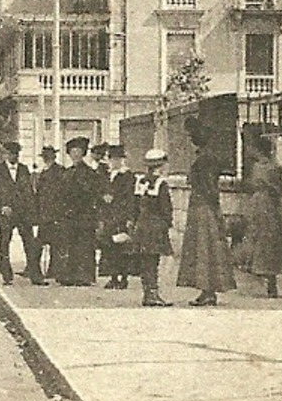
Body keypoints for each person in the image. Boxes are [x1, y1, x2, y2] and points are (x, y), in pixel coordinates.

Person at [177, 117, 237, 306]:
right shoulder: (206, 156)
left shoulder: (205, 159)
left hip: (203, 207)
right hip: (204, 206)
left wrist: (212, 205)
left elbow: (209, 186)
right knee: (207, 249)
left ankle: (208, 290)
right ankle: (207, 290)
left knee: (204, 250)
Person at [0, 140, 43, 285]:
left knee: (30, 244)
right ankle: (6, 275)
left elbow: (29, 193)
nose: (13, 157)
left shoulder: (24, 170)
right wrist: (1, 207)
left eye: (16, 154)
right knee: (4, 244)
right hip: (6, 215)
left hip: (23, 215)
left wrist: (32, 213)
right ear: (5, 154)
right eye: (10, 154)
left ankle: (35, 276)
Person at [52, 136, 102, 286]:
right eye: (72, 151)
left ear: (83, 153)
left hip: (84, 215)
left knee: (84, 245)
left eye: (79, 151)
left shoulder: (90, 173)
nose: (75, 154)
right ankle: (68, 275)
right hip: (68, 215)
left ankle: (84, 276)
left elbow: (92, 194)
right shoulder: (66, 172)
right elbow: (59, 195)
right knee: (69, 244)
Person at [244, 135, 282, 298]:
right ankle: (270, 283)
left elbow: (252, 184)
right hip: (269, 205)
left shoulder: (258, 167)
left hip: (259, 203)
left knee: (259, 239)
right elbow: (280, 188)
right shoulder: (274, 167)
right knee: (269, 241)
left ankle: (260, 275)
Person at [130, 149, 174, 307]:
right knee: (153, 261)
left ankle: (148, 292)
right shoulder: (161, 183)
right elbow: (166, 208)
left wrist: (135, 222)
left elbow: (135, 205)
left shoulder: (140, 181)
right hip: (156, 226)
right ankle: (152, 294)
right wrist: (167, 223)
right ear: (161, 166)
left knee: (145, 261)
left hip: (142, 225)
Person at [98, 144, 138, 289]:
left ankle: (124, 278)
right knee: (109, 247)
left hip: (121, 214)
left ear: (122, 160)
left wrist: (129, 218)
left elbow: (130, 197)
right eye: (112, 159)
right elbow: (100, 191)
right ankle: (113, 277)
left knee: (123, 247)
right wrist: (104, 196)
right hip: (109, 215)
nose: (115, 162)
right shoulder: (106, 175)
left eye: (118, 159)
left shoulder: (127, 175)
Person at [33, 144, 64, 283]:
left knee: (55, 244)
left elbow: (60, 194)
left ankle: (54, 270)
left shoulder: (59, 171)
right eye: (45, 156)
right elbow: (39, 193)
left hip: (54, 213)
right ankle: (36, 269)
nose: (46, 159)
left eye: (49, 156)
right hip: (44, 213)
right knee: (41, 243)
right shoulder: (43, 172)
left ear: (54, 157)